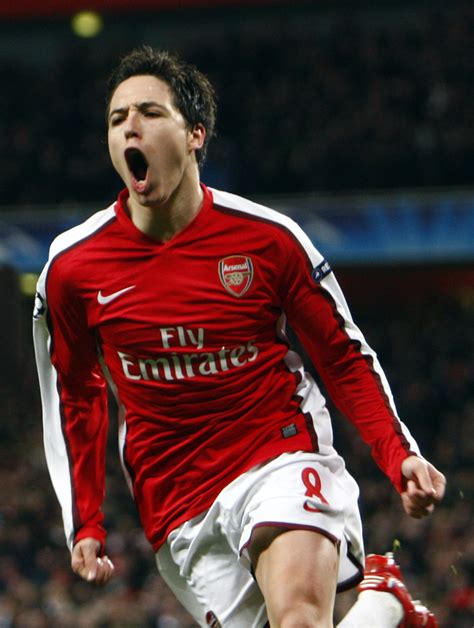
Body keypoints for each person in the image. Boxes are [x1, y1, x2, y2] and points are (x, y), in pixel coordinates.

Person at [33, 46, 445, 627]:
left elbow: (343, 355)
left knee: (298, 618)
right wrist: (86, 520)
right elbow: (76, 393)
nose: (130, 126)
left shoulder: (268, 240)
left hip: (277, 450)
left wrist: (397, 452)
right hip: (175, 497)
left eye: (150, 112)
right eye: (117, 118)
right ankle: (382, 606)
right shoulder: (73, 268)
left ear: (195, 134)